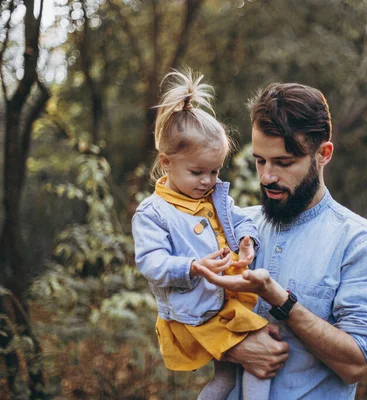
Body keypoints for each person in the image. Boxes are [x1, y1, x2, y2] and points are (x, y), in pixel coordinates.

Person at [196, 82, 367, 399]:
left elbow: (355, 364)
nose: (267, 176)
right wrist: (234, 348)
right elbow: (181, 313)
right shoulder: (235, 228)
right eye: (260, 160)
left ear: (324, 154)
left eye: (284, 162)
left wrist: (282, 301)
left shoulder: (362, 243)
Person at [131, 69, 271, 400]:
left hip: (226, 303)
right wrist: (194, 266)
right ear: (166, 162)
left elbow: (239, 221)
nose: (207, 180)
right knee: (260, 360)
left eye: (214, 171)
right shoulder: (153, 213)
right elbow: (151, 264)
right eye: (197, 172)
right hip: (197, 313)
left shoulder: (214, 197)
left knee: (227, 380)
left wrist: (247, 239)